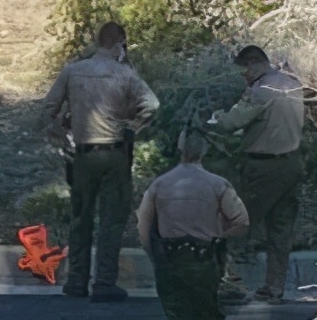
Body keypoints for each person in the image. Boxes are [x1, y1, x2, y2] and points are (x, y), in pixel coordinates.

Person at [40, 22, 160, 301]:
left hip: (82, 154)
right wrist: (133, 126)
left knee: (81, 218)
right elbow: (151, 105)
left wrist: (60, 136)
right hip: (115, 153)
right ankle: (104, 282)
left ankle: (76, 281)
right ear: (120, 44)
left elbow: (49, 107)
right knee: (111, 219)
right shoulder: (125, 73)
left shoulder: (73, 70)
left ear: (96, 42)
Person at [208, 45, 305, 304]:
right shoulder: (293, 86)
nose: (244, 76)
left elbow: (231, 124)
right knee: (280, 229)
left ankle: (233, 283)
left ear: (254, 64)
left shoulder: (260, 91)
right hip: (293, 164)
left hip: (263, 168)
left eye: (245, 70)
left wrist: (217, 119)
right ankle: (274, 286)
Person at [136, 130, 250, 320]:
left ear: (180, 148)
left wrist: (156, 258)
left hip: (170, 259)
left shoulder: (159, 184)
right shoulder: (218, 184)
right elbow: (242, 222)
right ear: (204, 151)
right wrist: (220, 236)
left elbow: (143, 229)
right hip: (204, 259)